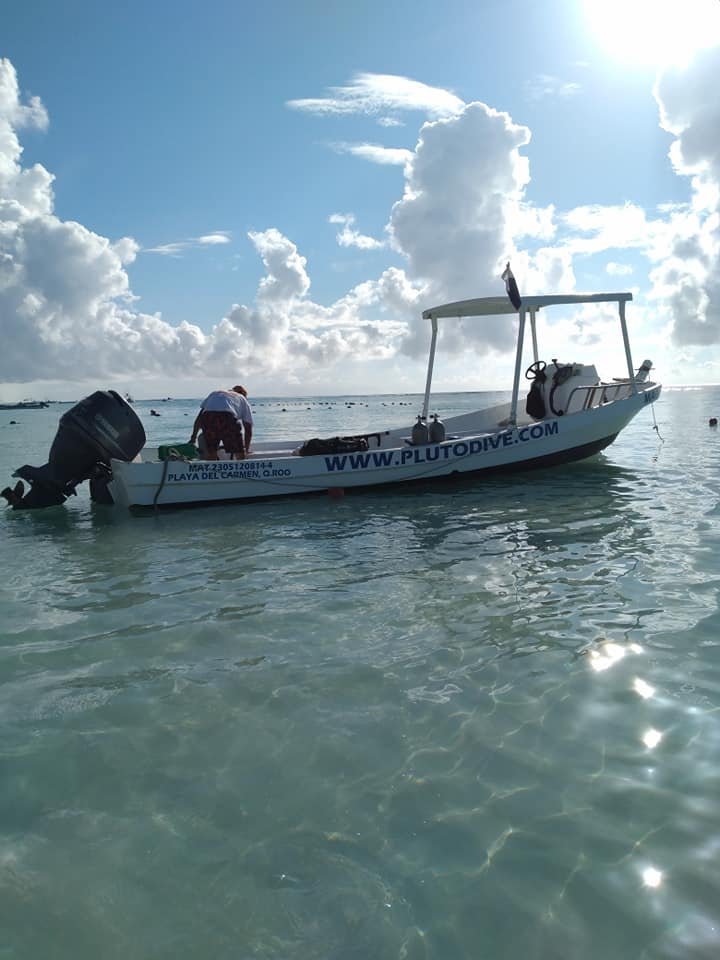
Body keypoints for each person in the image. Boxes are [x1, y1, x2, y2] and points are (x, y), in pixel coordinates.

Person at [190, 386, 253, 460]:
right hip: (227, 417)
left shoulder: (216, 393)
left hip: (208, 417)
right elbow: (248, 428)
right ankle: (241, 462)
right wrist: (246, 449)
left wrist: (193, 437)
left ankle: (212, 462)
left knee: (211, 451)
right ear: (244, 395)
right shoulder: (242, 398)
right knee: (239, 454)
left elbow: (199, 418)